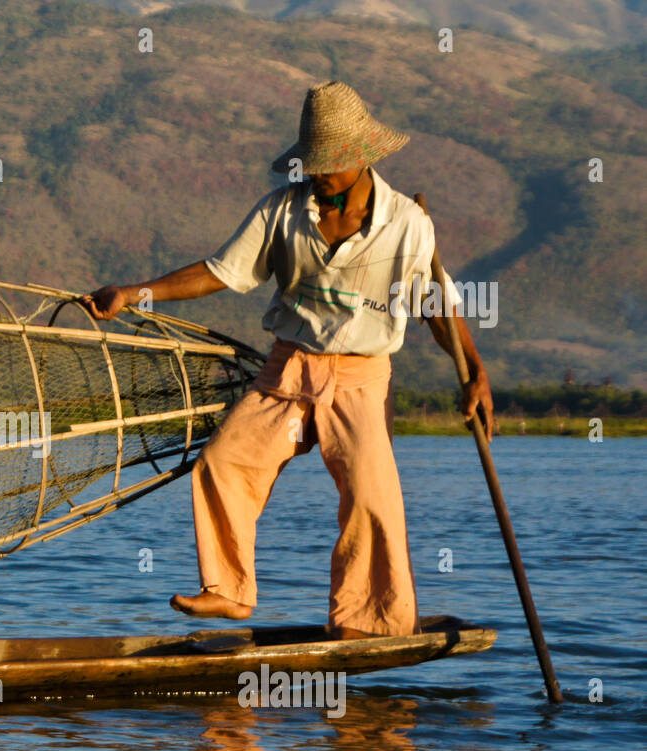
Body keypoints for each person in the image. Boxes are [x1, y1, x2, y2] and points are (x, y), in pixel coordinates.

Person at [81, 81, 495, 637]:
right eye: (312, 163)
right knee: (223, 465)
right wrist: (134, 292)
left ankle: (368, 620)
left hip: (360, 380)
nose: (316, 173)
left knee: (371, 499)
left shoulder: (407, 224)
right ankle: (227, 590)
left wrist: (475, 370)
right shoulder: (283, 211)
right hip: (288, 370)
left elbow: (436, 307)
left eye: (326, 164)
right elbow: (217, 271)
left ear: (358, 158)